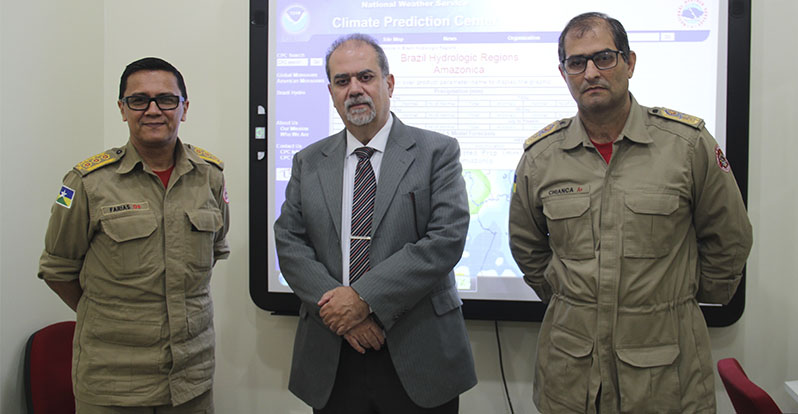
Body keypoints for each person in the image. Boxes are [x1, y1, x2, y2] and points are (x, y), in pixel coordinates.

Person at [509, 12, 752, 414]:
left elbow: (730, 236)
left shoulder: (687, 146)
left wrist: (679, 299)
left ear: (629, 62)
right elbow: (526, 244)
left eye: (604, 57)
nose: (590, 72)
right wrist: (570, 299)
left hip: (666, 371)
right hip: (571, 372)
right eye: (577, 62)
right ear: (564, 72)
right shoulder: (541, 157)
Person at [274, 33, 476, 413]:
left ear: (389, 83)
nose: (354, 89)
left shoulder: (437, 152)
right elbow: (289, 242)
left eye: (365, 77)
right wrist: (343, 315)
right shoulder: (309, 161)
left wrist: (363, 300)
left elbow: (445, 239)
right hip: (333, 352)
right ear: (331, 91)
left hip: (420, 353)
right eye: (342, 81)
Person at [38, 57, 229, 413]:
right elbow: (57, 269)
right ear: (123, 109)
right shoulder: (86, 183)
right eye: (139, 100)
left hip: (191, 379)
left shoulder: (210, 177)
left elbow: (213, 252)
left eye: (166, 100)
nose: (153, 110)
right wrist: (110, 316)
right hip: (113, 384)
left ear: (184, 108)